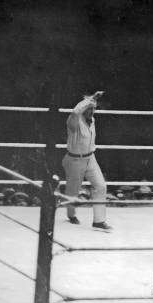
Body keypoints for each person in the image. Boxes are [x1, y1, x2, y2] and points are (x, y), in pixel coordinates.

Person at [62, 91, 111, 231]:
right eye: (88, 108)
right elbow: (75, 112)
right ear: (82, 107)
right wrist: (90, 100)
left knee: (101, 186)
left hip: (90, 158)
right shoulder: (73, 122)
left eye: (93, 108)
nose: (91, 111)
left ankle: (99, 221)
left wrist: (92, 102)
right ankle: (71, 215)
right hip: (74, 160)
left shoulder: (93, 121)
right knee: (73, 191)